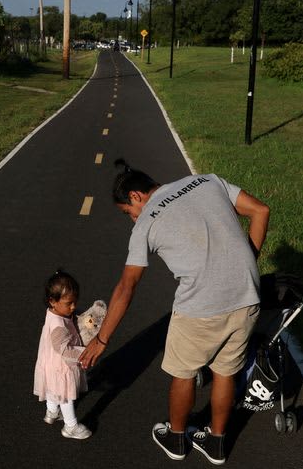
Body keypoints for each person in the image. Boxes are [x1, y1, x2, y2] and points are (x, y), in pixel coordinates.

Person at [79, 159, 270, 465]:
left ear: (135, 197)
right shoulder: (207, 180)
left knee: (183, 374)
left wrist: (102, 339)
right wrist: (245, 264)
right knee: (225, 372)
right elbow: (261, 211)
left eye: (127, 213)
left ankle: (177, 438)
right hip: (247, 295)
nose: (131, 219)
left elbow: (127, 287)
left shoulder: (145, 223)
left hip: (200, 308)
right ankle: (217, 443)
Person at [33, 270, 93, 440]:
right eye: (69, 303)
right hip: (61, 365)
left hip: (50, 361)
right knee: (65, 394)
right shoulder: (58, 325)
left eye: (75, 302)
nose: (73, 307)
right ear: (52, 301)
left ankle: (51, 412)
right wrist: (84, 354)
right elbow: (65, 351)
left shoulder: (54, 313)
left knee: (54, 389)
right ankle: (70, 426)